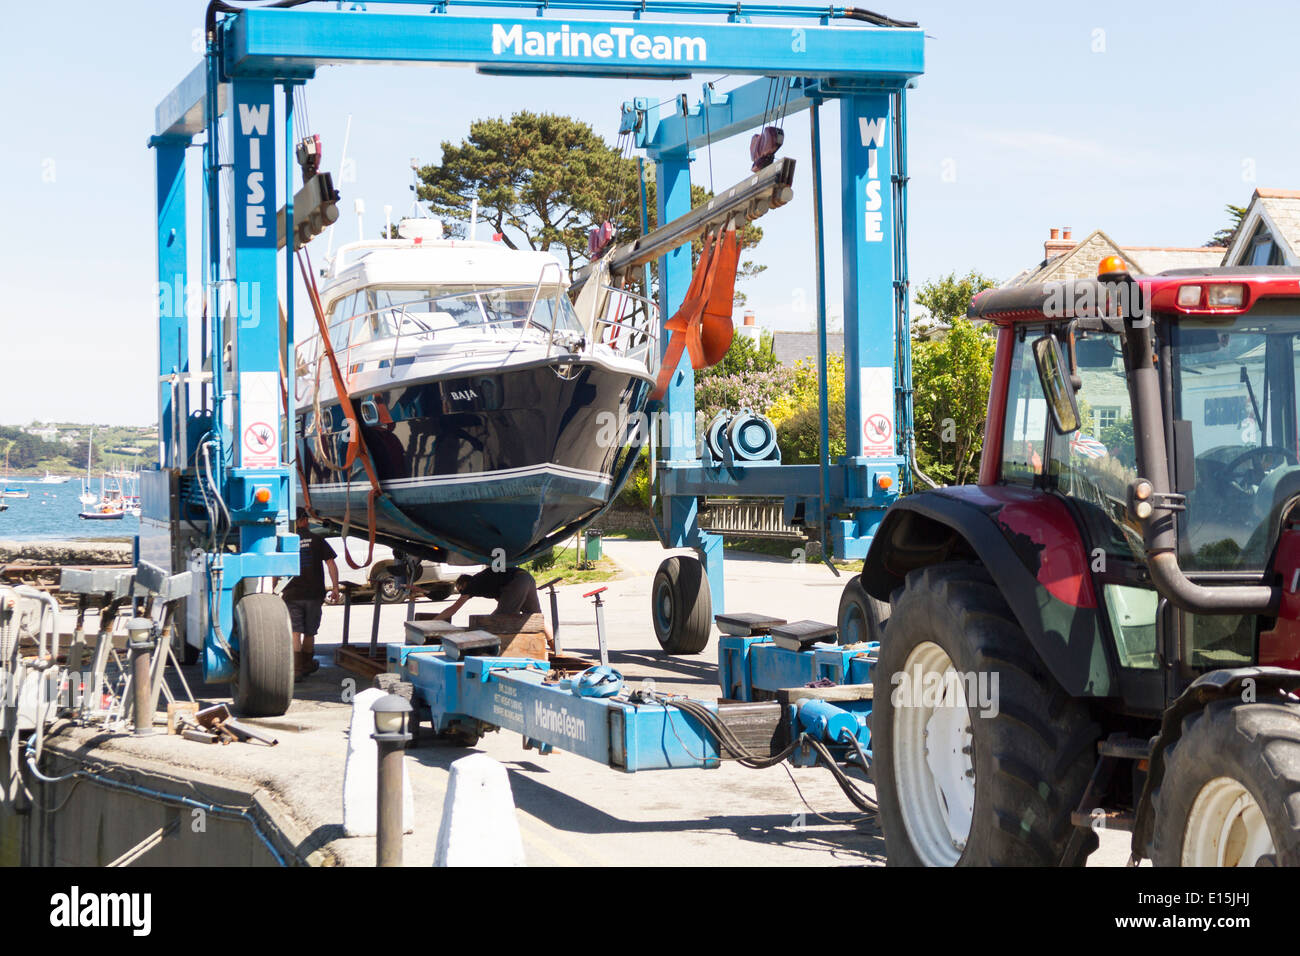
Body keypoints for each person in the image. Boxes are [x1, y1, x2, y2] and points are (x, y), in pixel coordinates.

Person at [281, 508, 340, 680]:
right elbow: (331, 564)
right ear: (305, 520)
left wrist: (273, 590)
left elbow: (277, 569)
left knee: (295, 632)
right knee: (309, 632)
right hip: (314, 594)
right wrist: (335, 588)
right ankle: (306, 665)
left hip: (292, 594)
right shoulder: (317, 539)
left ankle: (296, 669)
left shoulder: (286, 543)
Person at [435, 566, 554, 649]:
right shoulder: (483, 581)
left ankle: (503, 651)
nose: (461, 592)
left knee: (500, 620)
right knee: (536, 616)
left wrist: (434, 622)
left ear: (463, 584)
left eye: (460, 589)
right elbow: (504, 599)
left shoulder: (472, 585)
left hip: (516, 581)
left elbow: (453, 608)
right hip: (526, 577)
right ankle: (556, 647)